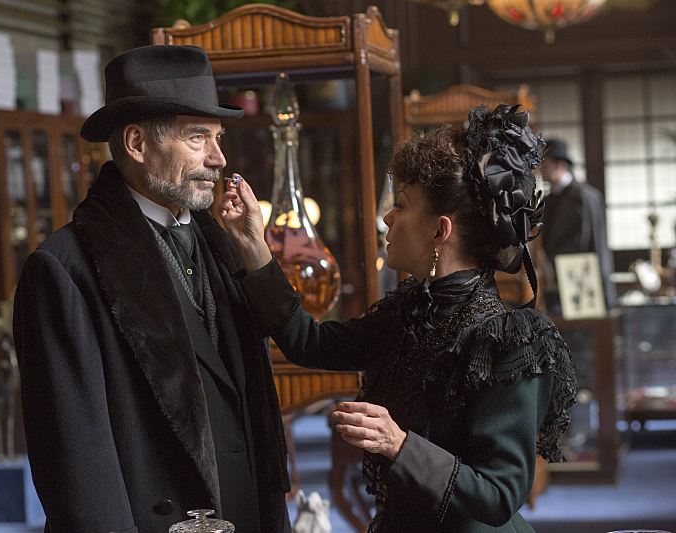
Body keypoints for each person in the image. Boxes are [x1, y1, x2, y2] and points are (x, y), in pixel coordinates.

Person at [218, 104, 578, 532]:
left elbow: (500, 494)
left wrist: (400, 444)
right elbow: (308, 343)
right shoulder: (410, 312)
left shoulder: (509, 339)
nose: (387, 216)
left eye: (402, 205)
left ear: (439, 232)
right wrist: (254, 247)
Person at [13, 45, 291, 533]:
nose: (218, 158)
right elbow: (78, 471)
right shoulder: (62, 271)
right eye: (197, 138)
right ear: (137, 143)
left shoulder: (226, 247)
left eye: (218, 138)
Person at [540, 138, 616, 313]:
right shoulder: (548, 200)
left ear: (559, 165)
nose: (540, 169)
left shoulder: (584, 196)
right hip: (556, 278)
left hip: (582, 276)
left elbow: (589, 243)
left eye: (544, 163)